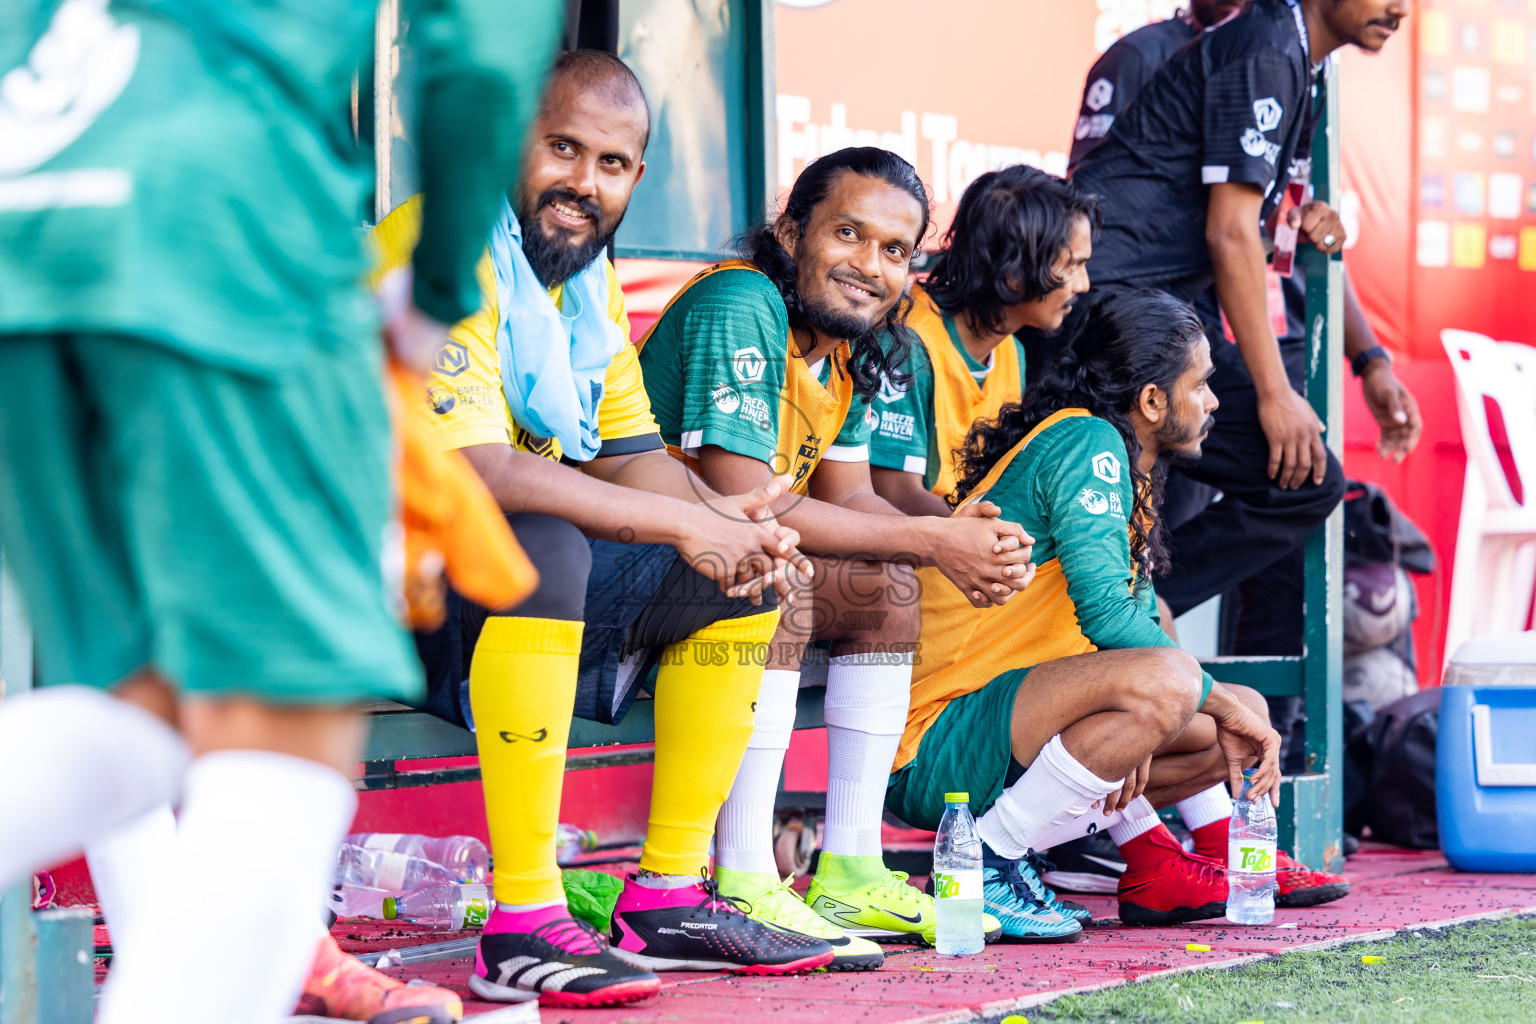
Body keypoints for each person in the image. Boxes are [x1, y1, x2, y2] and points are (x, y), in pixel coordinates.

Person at [0, 2, 560, 1023]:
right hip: (216, 227)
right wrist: (438, 286)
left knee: (148, 704)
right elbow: (482, 37)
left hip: (25, 224)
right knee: (282, 737)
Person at [378, 50, 839, 1005]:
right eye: (561, 149)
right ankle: (521, 920)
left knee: (748, 574)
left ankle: (667, 893)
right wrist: (679, 526)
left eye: (613, 163)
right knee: (539, 540)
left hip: (465, 575)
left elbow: (628, 453)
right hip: (358, 579)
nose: (584, 184)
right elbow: (481, 471)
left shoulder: (580, 288)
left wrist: (727, 519)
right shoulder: (449, 247)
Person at [637, 147, 1037, 957]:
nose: (870, 266)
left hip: (720, 564)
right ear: (791, 231)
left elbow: (851, 500)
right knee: (776, 566)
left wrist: (956, 535)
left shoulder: (859, 346)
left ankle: (851, 868)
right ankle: (745, 873)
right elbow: (745, 497)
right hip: (632, 562)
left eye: (895, 251)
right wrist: (932, 537)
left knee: (882, 584)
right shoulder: (741, 300)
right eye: (848, 233)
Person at [890, 289, 1294, 929]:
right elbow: (1110, 620)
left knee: (1238, 712)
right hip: (933, 739)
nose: (1215, 402)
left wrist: (1148, 724)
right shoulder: (1088, 442)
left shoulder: (1124, 462)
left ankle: (1006, 847)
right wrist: (1185, 703)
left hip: (1004, 722)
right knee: (1193, 693)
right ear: (1153, 400)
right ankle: (984, 865)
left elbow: (1128, 633)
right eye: (1203, 384)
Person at [1068, 0, 1421, 666]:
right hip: (1105, 301)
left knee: (1304, 481)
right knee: (1298, 476)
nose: (1398, 8)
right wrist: (1274, 392)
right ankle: (1116, 604)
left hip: (1158, 306)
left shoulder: (1297, 60)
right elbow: (1228, 233)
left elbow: (1255, 227)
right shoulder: (1264, 48)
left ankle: (1128, 597)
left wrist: (1301, 221)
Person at [869, 165, 1096, 519]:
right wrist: (994, 539)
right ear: (1013, 270)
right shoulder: (907, 341)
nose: (1083, 285)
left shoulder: (1011, 351)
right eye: (1071, 266)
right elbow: (894, 493)